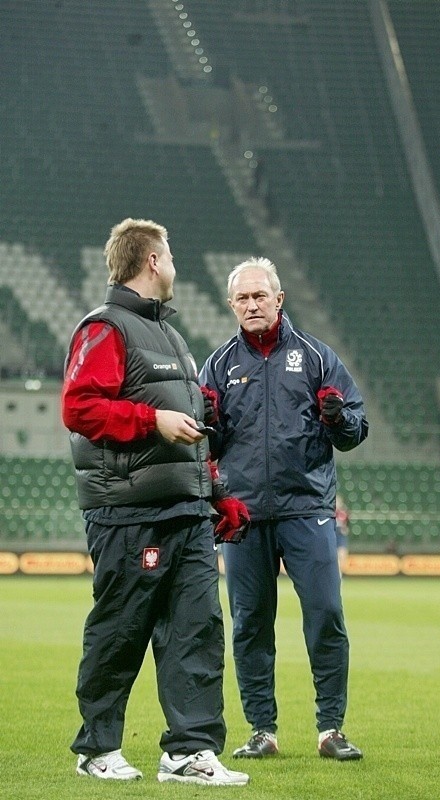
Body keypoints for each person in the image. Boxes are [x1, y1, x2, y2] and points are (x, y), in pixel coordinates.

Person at [61, 218, 250, 786]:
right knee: (122, 628)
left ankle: (188, 751)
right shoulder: (104, 329)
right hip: (129, 512)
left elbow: (187, 430)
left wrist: (215, 494)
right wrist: (154, 419)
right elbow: (80, 409)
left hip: (186, 512)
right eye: (170, 255)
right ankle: (97, 748)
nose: (175, 265)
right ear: (150, 261)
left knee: (197, 627)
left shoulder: (171, 336)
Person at [199, 257, 369, 761]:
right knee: (250, 623)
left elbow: (355, 430)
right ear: (231, 305)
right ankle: (262, 730)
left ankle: (331, 729)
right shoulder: (219, 365)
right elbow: (207, 444)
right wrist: (209, 425)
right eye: (242, 298)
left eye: (260, 296)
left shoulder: (317, 357)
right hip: (243, 513)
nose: (251, 305)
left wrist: (338, 420)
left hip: (307, 508)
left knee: (326, 615)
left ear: (279, 299)